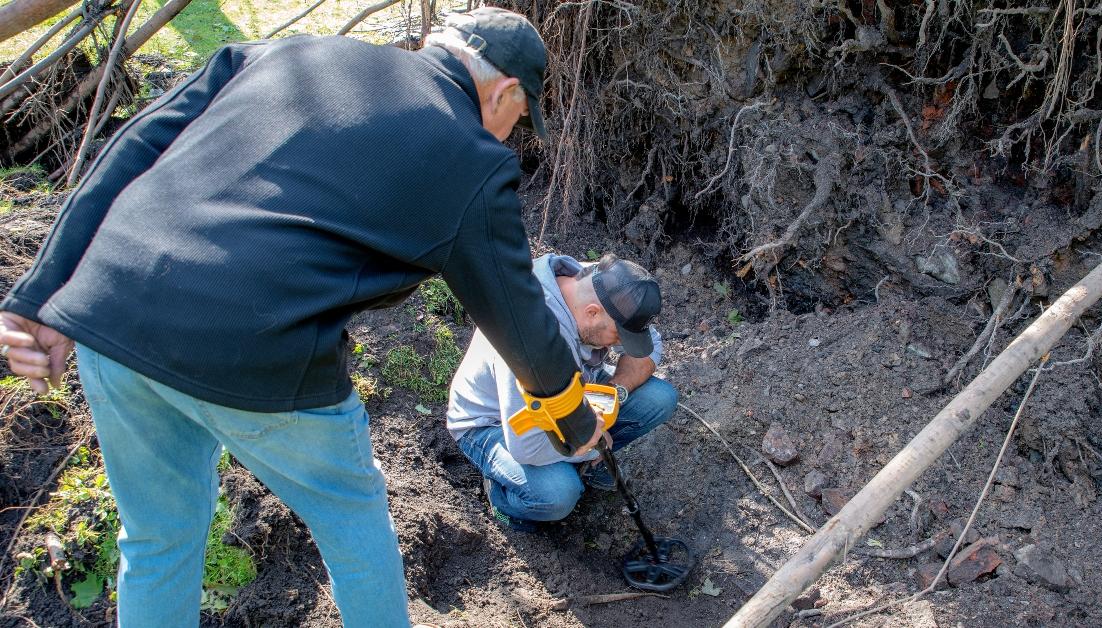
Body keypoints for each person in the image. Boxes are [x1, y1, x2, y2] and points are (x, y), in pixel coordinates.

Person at [0, 8, 605, 628]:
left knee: (157, 540)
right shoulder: (472, 158)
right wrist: (572, 417)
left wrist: (44, 294)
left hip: (114, 307)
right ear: (504, 92)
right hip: (256, 340)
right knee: (353, 523)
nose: (509, 134)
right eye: (519, 117)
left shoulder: (284, 54)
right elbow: (519, 317)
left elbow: (135, 148)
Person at [447, 253, 678, 531]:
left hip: (568, 392)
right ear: (592, 312)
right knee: (558, 493)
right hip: (495, 423)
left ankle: (585, 466)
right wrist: (593, 445)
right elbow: (526, 446)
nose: (619, 345)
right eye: (618, 338)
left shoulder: (593, 283)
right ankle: (502, 498)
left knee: (659, 399)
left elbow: (649, 343)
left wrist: (616, 391)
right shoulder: (532, 336)